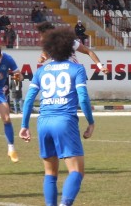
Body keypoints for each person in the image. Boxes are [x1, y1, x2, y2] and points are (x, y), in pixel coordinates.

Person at [19, 28, 95, 206]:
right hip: (64, 121)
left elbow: (29, 99)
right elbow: (83, 98)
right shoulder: (77, 69)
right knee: (76, 171)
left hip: (43, 121)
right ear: (70, 48)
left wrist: (24, 125)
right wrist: (91, 122)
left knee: (50, 173)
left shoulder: (41, 71)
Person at [36, 22, 110, 74]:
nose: (41, 37)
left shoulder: (68, 42)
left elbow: (88, 51)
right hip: (58, 72)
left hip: (72, 71)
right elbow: (45, 55)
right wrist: (42, 58)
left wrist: (100, 67)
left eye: (42, 35)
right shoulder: (47, 45)